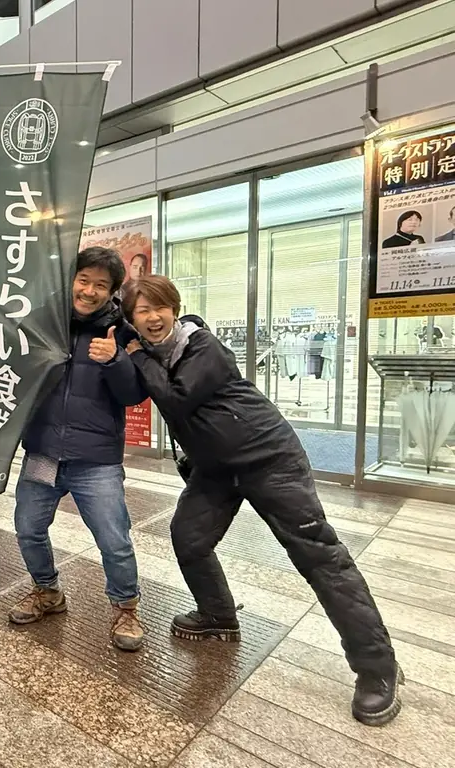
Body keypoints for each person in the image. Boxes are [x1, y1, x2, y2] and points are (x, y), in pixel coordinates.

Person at [122, 274, 402, 726]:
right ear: (132, 318)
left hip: (268, 459)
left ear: (175, 307)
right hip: (217, 469)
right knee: (188, 537)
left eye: (161, 307)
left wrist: (135, 353)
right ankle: (218, 615)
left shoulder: (201, 345)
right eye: (142, 311)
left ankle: (378, 668)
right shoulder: (154, 351)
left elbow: (176, 400)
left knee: (320, 558)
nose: (153, 317)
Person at [9, 247, 149, 651]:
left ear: (112, 291)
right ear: (71, 280)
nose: (89, 291)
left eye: (100, 285)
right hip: (43, 452)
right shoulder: (42, 324)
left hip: (96, 460)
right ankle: (47, 591)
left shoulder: (122, 333)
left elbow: (133, 395)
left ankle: (126, 607)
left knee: (113, 538)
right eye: (83, 280)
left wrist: (114, 360)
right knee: (28, 528)